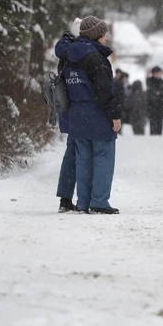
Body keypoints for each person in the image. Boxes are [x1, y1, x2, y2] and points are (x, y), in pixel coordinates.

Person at [62, 16, 123, 214]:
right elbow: (103, 91)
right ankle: (99, 202)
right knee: (103, 158)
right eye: (104, 35)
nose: (106, 39)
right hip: (97, 114)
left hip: (77, 115)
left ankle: (83, 202)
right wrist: (115, 115)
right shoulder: (96, 58)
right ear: (97, 36)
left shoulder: (70, 56)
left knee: (83, 161)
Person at [53, 17, 82, 212]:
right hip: (81, 110)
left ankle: (65, 198)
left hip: (69, 110)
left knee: (71, 154)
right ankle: (87, 198)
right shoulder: (78, 51)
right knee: (83, 154)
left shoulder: (65, 50)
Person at [146, 66, 163, 135]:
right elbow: (149, 95)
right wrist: (157, 94)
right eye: (158, 73)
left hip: (161, 107)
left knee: (160, 127)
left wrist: (160, 94)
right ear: (154, 73)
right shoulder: (150, 82)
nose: (159, 74)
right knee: (153, 127)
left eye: (160, 73)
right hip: (152, 108)